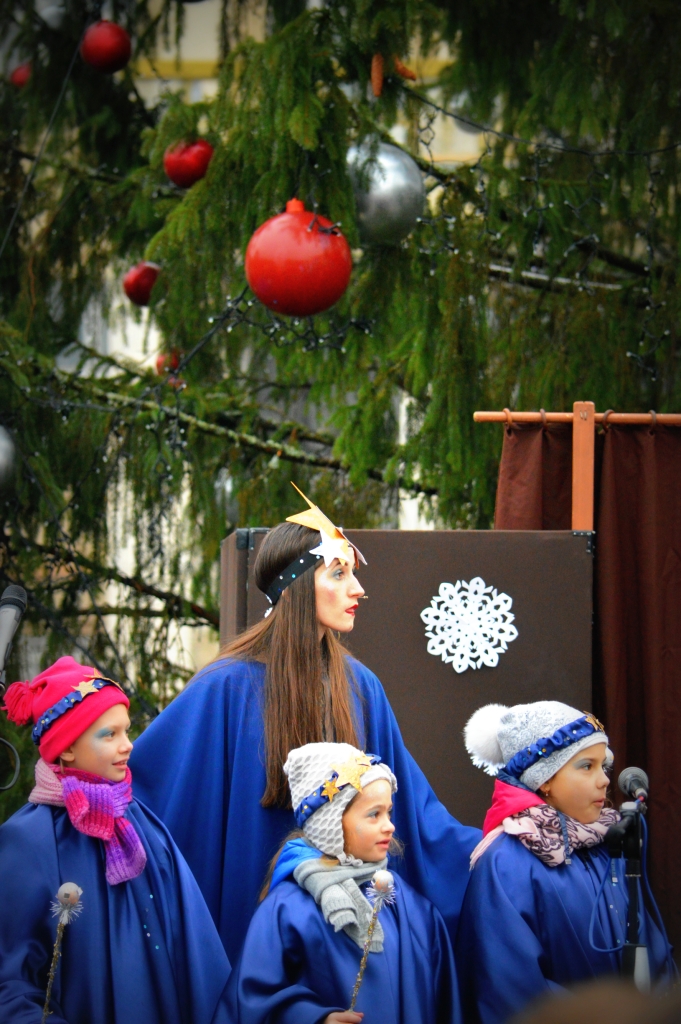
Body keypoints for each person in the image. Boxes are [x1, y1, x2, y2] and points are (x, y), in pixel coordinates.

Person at [130, 486, 481, 960]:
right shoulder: (225, 689)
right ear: (295, 585)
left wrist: (494, 848)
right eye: (338, 573)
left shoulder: (360, 687)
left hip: (345, 931)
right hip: (253, 928)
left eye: (352, 573)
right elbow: (151, 798)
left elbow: (417, 818)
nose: (358, 589)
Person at [0, 656, 231, 1024]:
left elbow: (194, 943)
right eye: (109, 734)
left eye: (126, 731)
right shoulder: (28, 841)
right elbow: (13, 978)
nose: (128, 746)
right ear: (67, 748)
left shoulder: (140, 822)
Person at [455, 701, 673, 1024]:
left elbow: (652, 951)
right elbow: (510, 990)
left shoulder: (604, 845)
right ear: (543, 778)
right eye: (587, 766)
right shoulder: (504, 862)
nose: (603, 781)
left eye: (604, 767)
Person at [226, 741, 461, 1024]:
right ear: (332, 825)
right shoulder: (288, 908)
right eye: (374, 814)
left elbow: (442, 991)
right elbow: (253, 1001)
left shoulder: (406, 903)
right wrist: (314, 1018)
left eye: (388, 812)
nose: (389, 825)